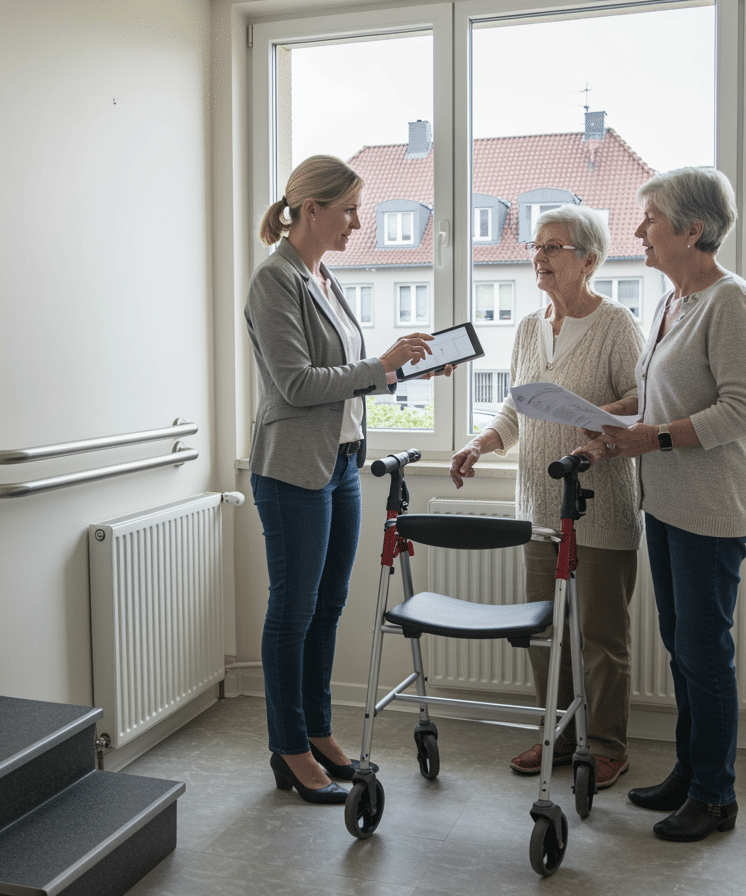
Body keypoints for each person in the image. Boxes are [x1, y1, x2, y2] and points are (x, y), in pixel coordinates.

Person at [245, 155, 442, 804]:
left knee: (328, 606)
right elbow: (297, 384)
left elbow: (346, 376)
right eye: (350, 209)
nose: (359, 222)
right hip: (293, 470)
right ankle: (290, 749)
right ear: (310, 208)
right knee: (293, 610)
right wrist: (380, 368)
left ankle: (320, 733)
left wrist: (403, 370)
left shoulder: (322, 278)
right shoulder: (274, 281)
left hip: (340, 464)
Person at [578, 166, 746, 842]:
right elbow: (654, 399)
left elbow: (743, 411)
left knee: (704, 652)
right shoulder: (671, 304)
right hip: (667, 503)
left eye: (650, 217)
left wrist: (648, 436)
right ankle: (691, 772)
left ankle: (717, 797)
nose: (638, 231)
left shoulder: (728, 301)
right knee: (682, 647)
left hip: (712, 510)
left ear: (693, 229)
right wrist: (606, 418)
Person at [449, 204, 643, 791]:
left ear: (589, 260)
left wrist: (594, 417)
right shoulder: (530, 326)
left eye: (552, 247)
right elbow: (518, 405)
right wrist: (480, 444)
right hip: (538, 502)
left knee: (602, 636)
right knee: (544, 627)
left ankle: (607, 745)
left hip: (601, 501)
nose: (539, 257)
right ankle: (556, 734)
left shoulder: (617, 325)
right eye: (535, 247)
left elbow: (642, 400)